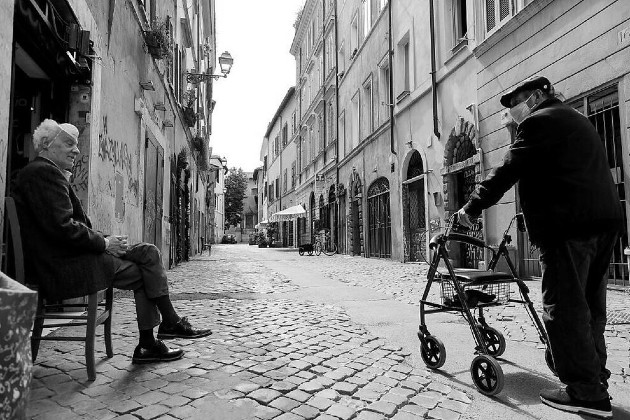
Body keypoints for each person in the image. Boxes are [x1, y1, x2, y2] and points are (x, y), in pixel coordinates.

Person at [456, 76, 622, 419]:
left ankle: (585, 393)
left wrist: (470, 209)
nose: (511, 113)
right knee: (591, 308)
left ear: (535, 97)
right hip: (603, 224)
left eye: (515, 103)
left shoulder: (538, 122)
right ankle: (595, 380)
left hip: (567, 229)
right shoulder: (574, 118)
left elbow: (506, 172)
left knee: (564, 309)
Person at [12, 119, 212, 365]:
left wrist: (106, 239)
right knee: (144, 270)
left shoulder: (44, 173)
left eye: (76, 145)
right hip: (63, 266)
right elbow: (63, 229)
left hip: (69, 257)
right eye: (69, 144)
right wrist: (106, 244)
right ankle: (156, 335)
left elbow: (69, 227)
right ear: (47, 145)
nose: (76, 150)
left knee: (148, 253)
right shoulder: (44, 173)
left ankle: (162, 330)